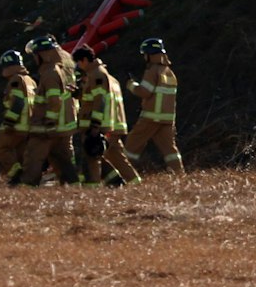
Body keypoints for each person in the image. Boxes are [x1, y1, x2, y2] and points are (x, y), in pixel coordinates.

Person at [19, 35, 79, 185]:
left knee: (33, 157)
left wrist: (50, 122)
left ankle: (27, 187)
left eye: (36, 55)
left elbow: (54, 100)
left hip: (46, 128)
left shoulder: (50, 73)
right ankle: (73, 187)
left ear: (43, 55)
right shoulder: (62, 68)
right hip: (63, 126)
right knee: (63, 160)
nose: (34, 59)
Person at [74, 44, 138, 187]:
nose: (79, 66)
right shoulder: (104, 76)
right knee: (116, 157)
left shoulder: (96, 75)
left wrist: (95, 125)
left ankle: (92, 188)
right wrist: (78, 94)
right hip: (110, 124)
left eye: (79, 62)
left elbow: (100, 101)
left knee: (92, 157)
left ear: (84, 60)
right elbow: (94, 98)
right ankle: (133, 183)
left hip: (99, 125)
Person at [124, 37, 184, 176]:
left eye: (145, 54)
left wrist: (131, 85)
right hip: (167, 119)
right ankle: (180, 175)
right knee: (170, 150)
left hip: (151, 117)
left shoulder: (152, 71)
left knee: (132, 144)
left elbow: (145, 92)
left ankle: (123, 174)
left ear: (149, 55)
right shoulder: (169, 72)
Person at [0, 49, 36, 184]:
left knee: (1, 147)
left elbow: (18, 102)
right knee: (20, 153)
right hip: (28, 125)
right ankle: (21, 180)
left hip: (17, 125)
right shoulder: (30, 81)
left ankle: (15, 174)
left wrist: (9, 122)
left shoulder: (15, 80)